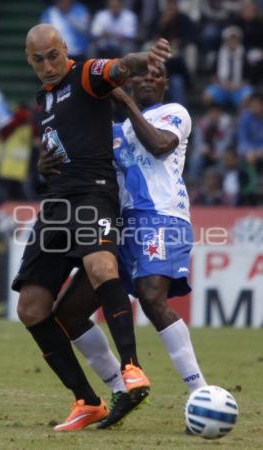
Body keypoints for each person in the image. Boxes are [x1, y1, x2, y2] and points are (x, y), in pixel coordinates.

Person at [12, 23, 172, 431]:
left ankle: (132, 369)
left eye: (53, 55)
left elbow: (119, 68)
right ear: (28, 61)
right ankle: (87, 400)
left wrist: (142, 60)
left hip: (93, 195)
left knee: (102, 267)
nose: (48, 65)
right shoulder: (42, 99)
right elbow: (54, 148)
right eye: (38, 59)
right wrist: (40, 166)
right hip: (56, 205)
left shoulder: (85, 74)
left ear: (65, 49)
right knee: (30, 309)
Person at [39, 64, 207, 429]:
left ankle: (200, 393)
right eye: (140, 75)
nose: (148, 78)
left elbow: (160, 145)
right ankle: (121, 387)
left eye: (156, 75)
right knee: (68, 313)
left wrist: (126, 102)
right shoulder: (110, 133)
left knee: (151, 296)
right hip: (120, 223)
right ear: (129, 81)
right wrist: (45, 163)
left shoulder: (174, 113)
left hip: (161, 216)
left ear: (165, 83)